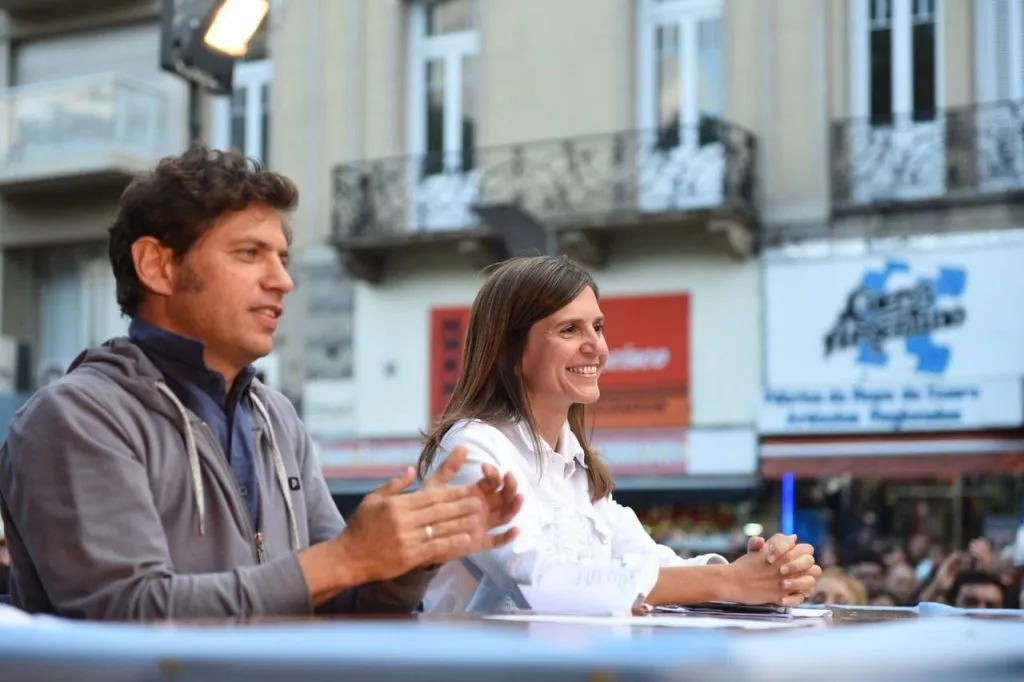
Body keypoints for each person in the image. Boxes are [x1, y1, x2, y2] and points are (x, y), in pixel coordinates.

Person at [0, 144, 523, 621]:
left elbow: (340, 599)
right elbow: (126, 612)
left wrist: (411, 555)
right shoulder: (73, 417)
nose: (283, 280)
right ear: (157, 266)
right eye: (249, 253)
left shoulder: (276, 416)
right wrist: (346, 559)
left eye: (282, 258)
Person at [416, 255, 821, 614]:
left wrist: (761, 573)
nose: (597, 347)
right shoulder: (471, 447)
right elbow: (540, 582)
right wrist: (729, 582)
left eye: (597, 326)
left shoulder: (574, 462)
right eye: (569, 330)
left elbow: (645, 560)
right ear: (511, 353)